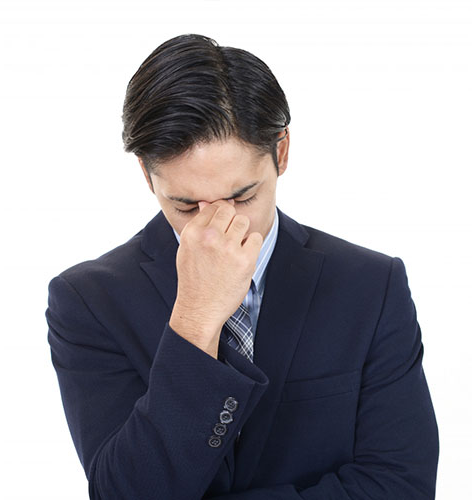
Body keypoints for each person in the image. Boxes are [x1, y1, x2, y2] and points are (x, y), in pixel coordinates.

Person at [45, 33, 439, 499]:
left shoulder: (370, 286)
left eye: (242, 196)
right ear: (147, 174)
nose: (218, 226)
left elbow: (401, 485)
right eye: (186, 205)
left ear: (281, 152)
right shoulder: (88, 301)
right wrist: (195, 318)